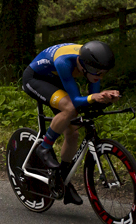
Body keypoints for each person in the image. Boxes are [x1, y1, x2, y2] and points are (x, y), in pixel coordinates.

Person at [22, 40, 121, 205]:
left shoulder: (91, 65)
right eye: (98, 72)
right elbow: (76, 101)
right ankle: (44, 148)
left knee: (73, 131)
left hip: (56, 78)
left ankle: (62, 179)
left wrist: (105, 98)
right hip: (35, 78)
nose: (100, 76)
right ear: (84, 66)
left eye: (104, 73)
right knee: (69, 108)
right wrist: (94, 97)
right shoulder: (64, 62)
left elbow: (92, 100)